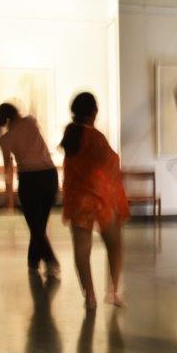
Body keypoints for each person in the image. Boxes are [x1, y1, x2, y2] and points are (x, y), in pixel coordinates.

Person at [60, 92, 129, 310]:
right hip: (100, 199)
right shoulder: (95, 137)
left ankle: (89, 295)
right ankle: (113, 291)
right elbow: (111, 163)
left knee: (82, 249)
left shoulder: (70, 135)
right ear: (94, 112)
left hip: (78, 201)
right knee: (115, 245)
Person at [0, 103, 60, 278]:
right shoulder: (31, 122)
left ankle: (51, 261)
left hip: (29, 180)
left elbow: (8, 168)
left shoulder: (6, 139)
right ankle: (33, 260)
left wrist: (8, 194)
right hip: (49, 176)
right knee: (39, 224)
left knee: (36, 226)